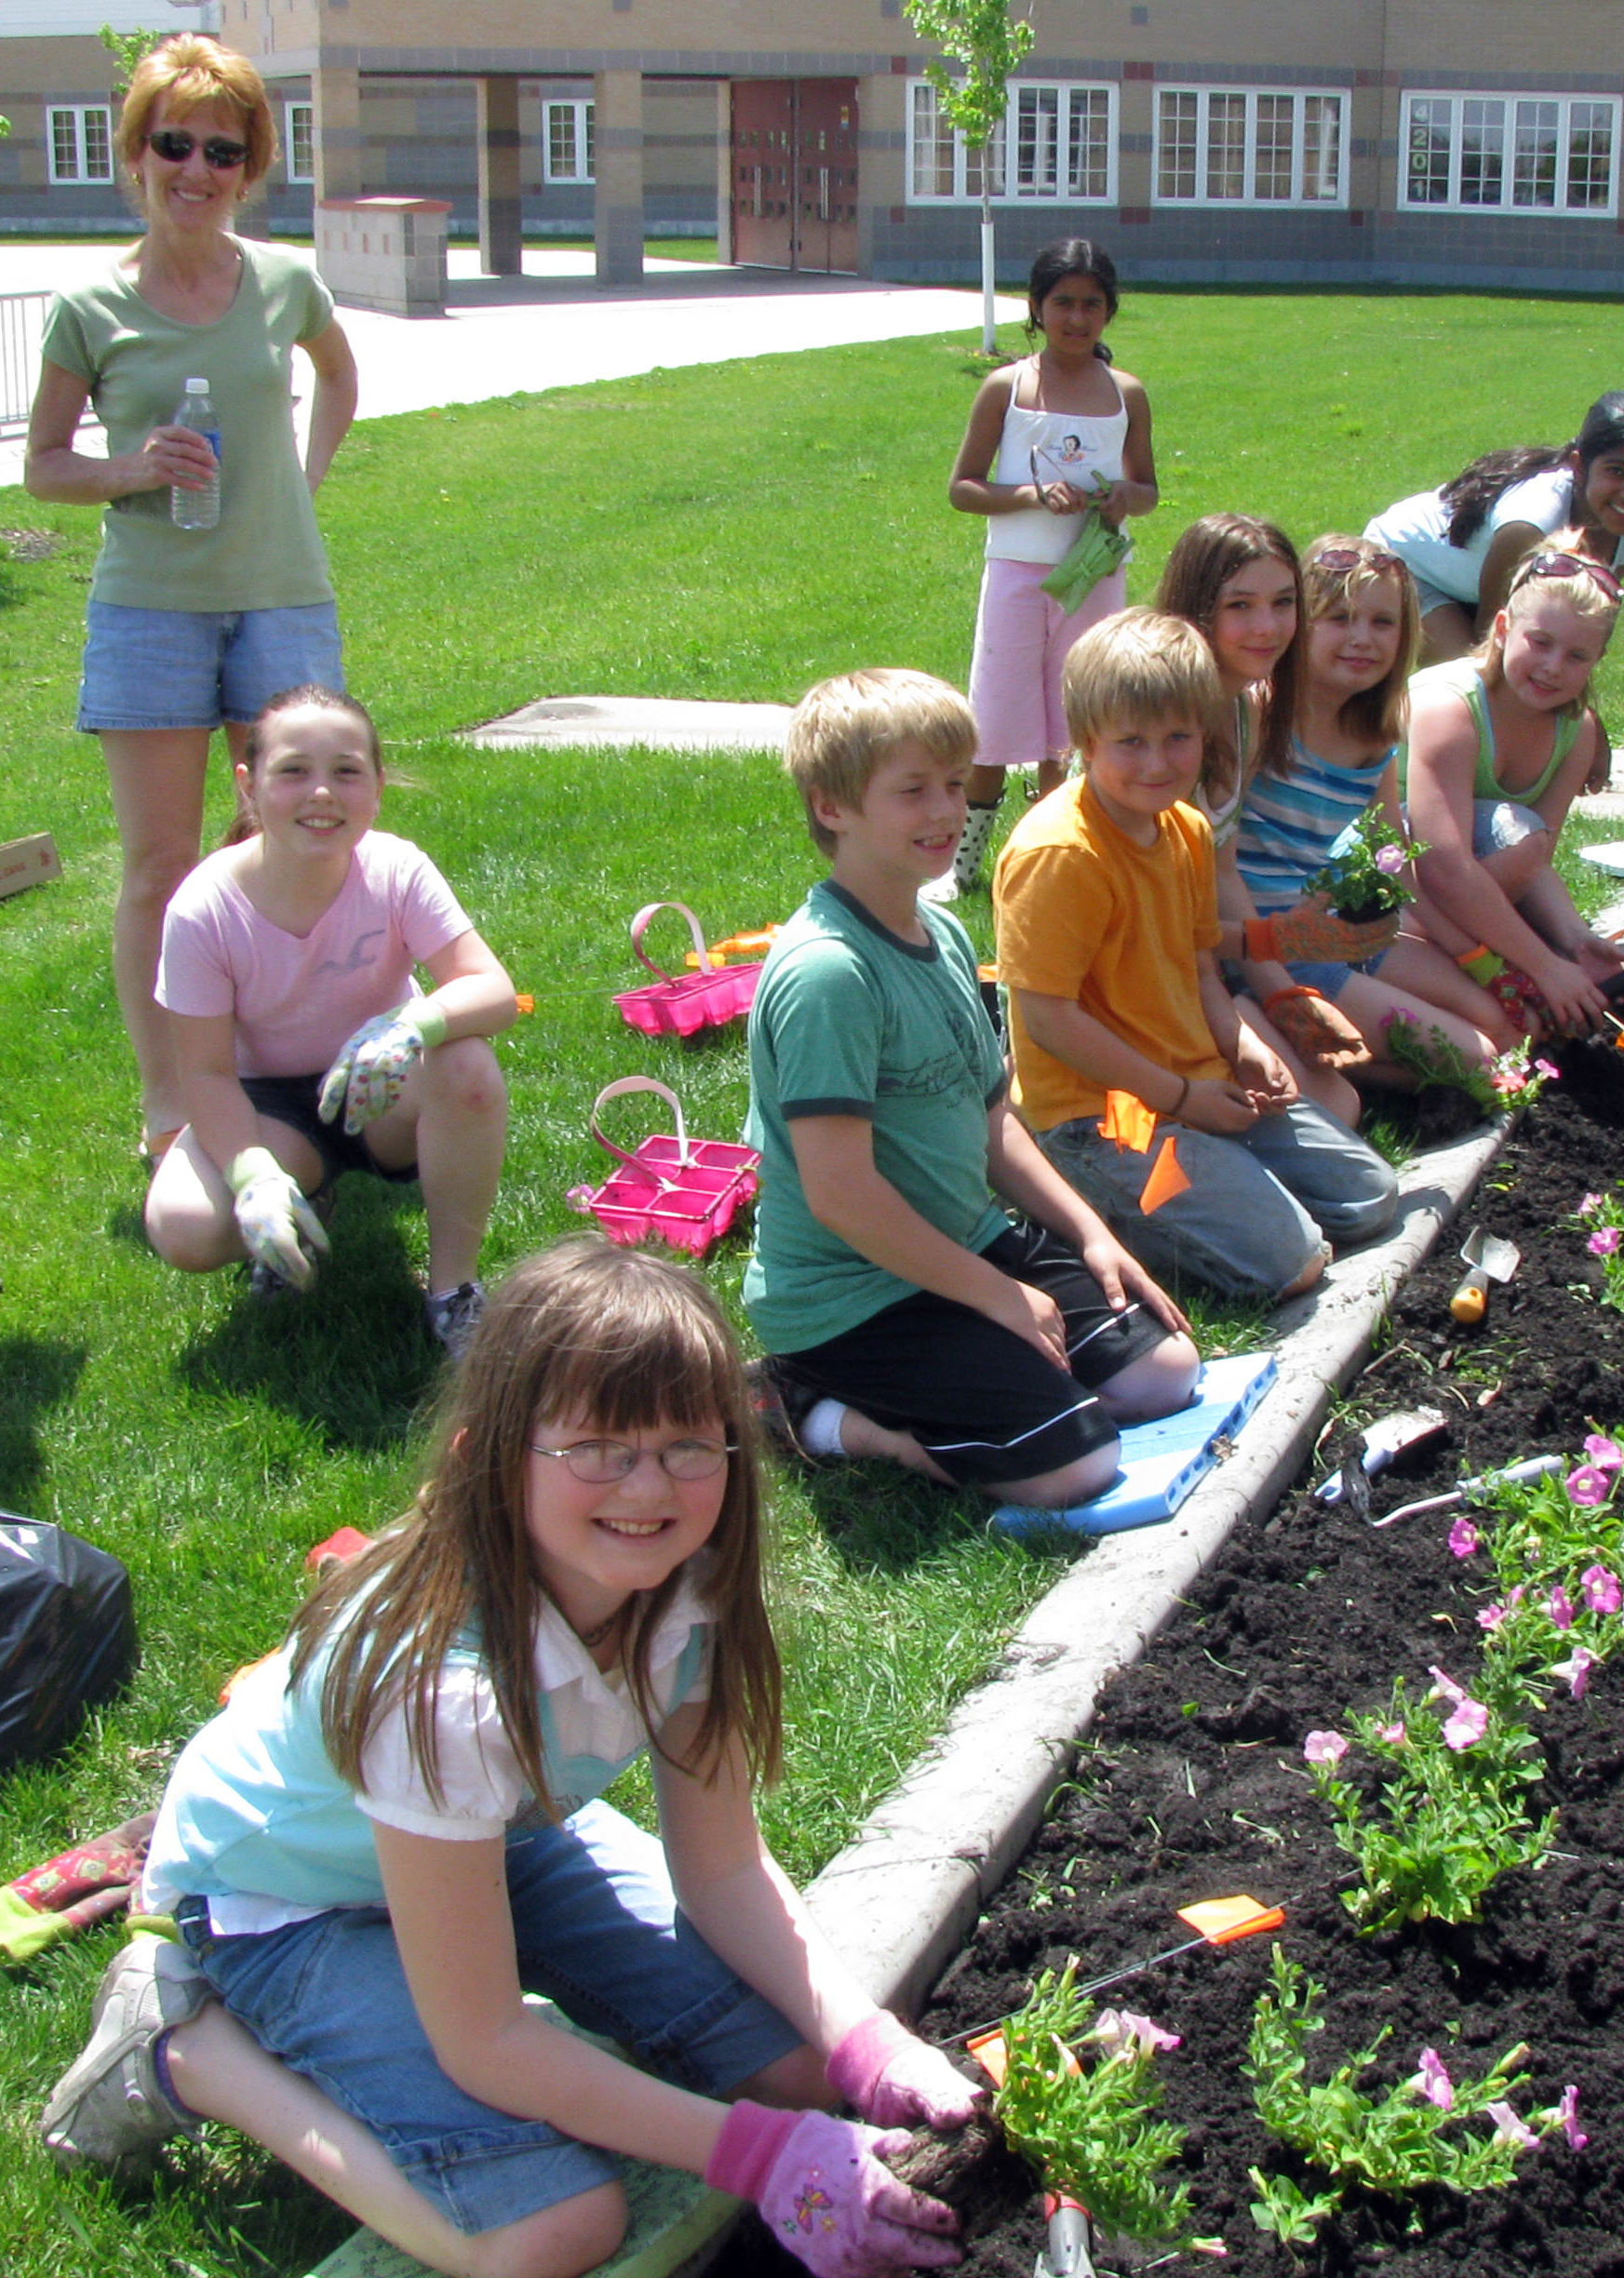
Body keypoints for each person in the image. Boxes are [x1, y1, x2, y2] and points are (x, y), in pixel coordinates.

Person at [41, 1239, 981, 2278]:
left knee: (798, 2073)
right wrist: (759, 2159)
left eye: (686, 1444)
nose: (648, 1483)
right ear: (493, 1454)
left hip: (503, 1830)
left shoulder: (690, 1585)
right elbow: (484, 2041)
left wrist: (865, 2043)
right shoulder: (438, 1692)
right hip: (286, 1903)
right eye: (597, 1447)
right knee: (547, 2234)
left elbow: (719, 1866)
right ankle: (189, 2054)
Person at [745, 667, 1200, 1505]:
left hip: (958, 1240)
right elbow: (842, 1196)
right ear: (830, 806)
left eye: (956, 785)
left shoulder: (946, 933)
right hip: (850, 1295)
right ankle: (813, 1408)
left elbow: (995, 1124)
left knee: (1164, 1375)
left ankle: (989, 1366)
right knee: (1075, 1465)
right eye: (913, 791)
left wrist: (1089, 1232)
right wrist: (1000, 1298)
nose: (948, 811)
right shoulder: (829, 976)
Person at [25, 34, 360, 1163]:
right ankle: (170, 1102)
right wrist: (135, 471)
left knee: (299, 841)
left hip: (282, 600)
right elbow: (45, 468)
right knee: (161, 868)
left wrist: (301, 488)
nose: (197, 168)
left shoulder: (282, 281)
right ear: (138, 153)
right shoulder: (88, 306)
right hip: (150, 611)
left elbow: (340, 373)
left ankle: (300, 1075)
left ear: (249, 165)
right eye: (174, 143)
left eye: (224, 149)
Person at [993, 610, 1401, 1305]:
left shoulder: (1184, 828)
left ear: (1207, 733)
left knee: (1373, 1199)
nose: (1158, 763)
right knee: (1291, 1261)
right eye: (1131, 743)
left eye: (1178, 737)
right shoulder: (1062, 854)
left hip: (1196, 1083)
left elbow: (1201, 966)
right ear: (1086, 741)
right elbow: (1049, 1021)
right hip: (1104, 1114)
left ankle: (1209, 1174)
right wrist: (1181, 1099)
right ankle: (1085, 1197)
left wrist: (1243, 1046)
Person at [142, 685, 514, 1358]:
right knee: (185, 1227)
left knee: (468, 1066)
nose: (321, 792)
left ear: (377, 787)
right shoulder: (204, 907)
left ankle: (454, 1290)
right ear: (248, 787)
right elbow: (202, 1072)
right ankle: (298, 1190)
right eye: (293, 771)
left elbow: (492, 989)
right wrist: (252, 1175)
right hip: (271, 1110)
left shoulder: (396, 868)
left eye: (346, 771)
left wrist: (411, 1026)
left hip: (380, 1089)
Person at [1234, 537, 1522, 1092]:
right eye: (1339, 618)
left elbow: (1395, 862)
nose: (1362, 639)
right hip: (1266, 951)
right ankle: (1288, 1031)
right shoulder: (1262, 715)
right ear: (1302, 624)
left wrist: (1471, 953)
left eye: (1383, 622)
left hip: (1330, 934)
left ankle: (1338, 1055)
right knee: (1481, 1062)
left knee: (1498, 1024)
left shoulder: (1375, 735)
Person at [1153, 513, 1392, 1126]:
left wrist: (1282, 994)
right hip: (1145, 975)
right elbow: (1159, 922)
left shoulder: (1242, 711)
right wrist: (1276, 950)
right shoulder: (1165, 724)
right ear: (1197, 610)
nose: (1267, 628)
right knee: (1336, 1106)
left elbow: (1222, 876)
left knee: (1341, 1099)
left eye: (1283, 604)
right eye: (1241, 606)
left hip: (1205, 963)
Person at [939, 237, 1157, 901]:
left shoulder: (1126, 395)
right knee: (995, 718)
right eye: (1062, 303)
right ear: (1035, 308)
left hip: (1092, 575)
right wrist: (1030, 496)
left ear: (1109, 312)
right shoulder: (1008, 387)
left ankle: (1047, 860)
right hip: (1016, 573)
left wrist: (1125, 499)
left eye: (1092, 305)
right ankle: (961, 865)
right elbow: (963, 487)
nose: (1077, 318)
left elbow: (1147, 488)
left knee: (1069, 726)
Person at [1404, 551, 1624, 1040]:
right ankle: (1437, 951)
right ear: (1504, 626)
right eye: (1540, 642)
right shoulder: (1449, 707)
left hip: (1460, 881)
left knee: (1526, 840)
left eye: (1577, 656)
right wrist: (1546, 966)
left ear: (1598, 661)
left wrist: (1574, 938)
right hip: (1389, 872)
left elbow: (1536, 857)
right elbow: (1441, 866)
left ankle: (1474, 955)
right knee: (1514, 835)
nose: (1553, 667)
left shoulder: (1577, 730)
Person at [1363, 391, 1624, 663]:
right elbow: (1491, 638)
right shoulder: (1530, 524)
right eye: (1617, 471)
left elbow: (1582, 613)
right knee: (1476, 684)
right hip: (1399, 565)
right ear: (1579, 466)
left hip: (1468, 585)